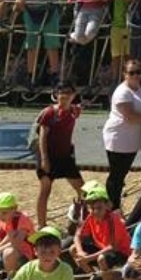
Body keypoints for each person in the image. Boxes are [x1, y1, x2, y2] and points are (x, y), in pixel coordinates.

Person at [101, 59, 141, 212]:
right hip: (118, 137)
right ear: (124, 74)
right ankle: (113, 208)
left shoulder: (140, 88)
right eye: (131, 72)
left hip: (131, 139)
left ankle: (113, 206)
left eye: (138, 72)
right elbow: (130, 116)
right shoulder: (122, 91)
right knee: (116, 176)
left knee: (120, 175)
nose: (135, 75)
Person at [32, 81, 84, 227]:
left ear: (73, 95)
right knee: (45, 190)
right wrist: (44, 159)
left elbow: (79, 109)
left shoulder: (74, 111)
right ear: (56, 95)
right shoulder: (50, 112)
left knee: (83, 190)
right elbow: (42, 137)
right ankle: (42, 225)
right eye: (62, 93)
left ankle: (76, 215)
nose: (65, 96)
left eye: (68, 92)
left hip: (65, 156)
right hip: (48, 155)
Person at [14, 0, 63, 88]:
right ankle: (31, 75)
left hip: (50, 11)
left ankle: (54, 75)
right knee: (32, 45)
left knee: (52, 44)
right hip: (31, 11)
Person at [70, 186, 131, 280]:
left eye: (99, 208)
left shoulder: (113, 219)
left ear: (106, 206)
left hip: (121, 252)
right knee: (73, 249)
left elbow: (113, 247)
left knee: (101, 259)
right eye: (92, 208)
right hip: (103, 248)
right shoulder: (90, 217)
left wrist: (88, 258)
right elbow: (77, 236)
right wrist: (80, 252)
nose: (95, 211)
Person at [96, 0, 130, 87]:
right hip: (115, 27)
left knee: (127, 56)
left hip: (128, 26)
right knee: (116, 56)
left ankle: (128, 80)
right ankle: (115, 82)